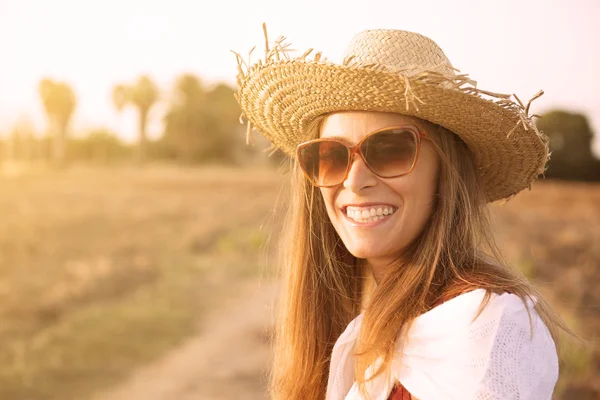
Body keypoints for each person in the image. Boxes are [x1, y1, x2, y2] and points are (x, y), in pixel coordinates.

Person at [233, 25, 569, 400]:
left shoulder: (483, 326)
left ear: (445, 170)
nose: (355, 181)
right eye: (330, 156)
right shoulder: (362, 320)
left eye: (390, 149)